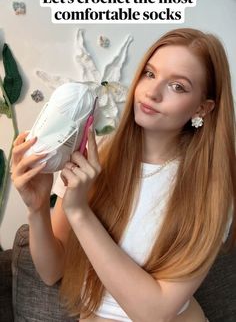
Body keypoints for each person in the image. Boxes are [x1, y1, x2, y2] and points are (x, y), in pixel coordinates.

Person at [12, 28, 235, 322]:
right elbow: (52, 271)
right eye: (150, 74)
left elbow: (153, 313)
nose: (152, 92)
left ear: (203, 108)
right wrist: (37, 208)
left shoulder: (213, 190)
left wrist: (79, 212)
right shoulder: (96, 156)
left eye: (178, 86)